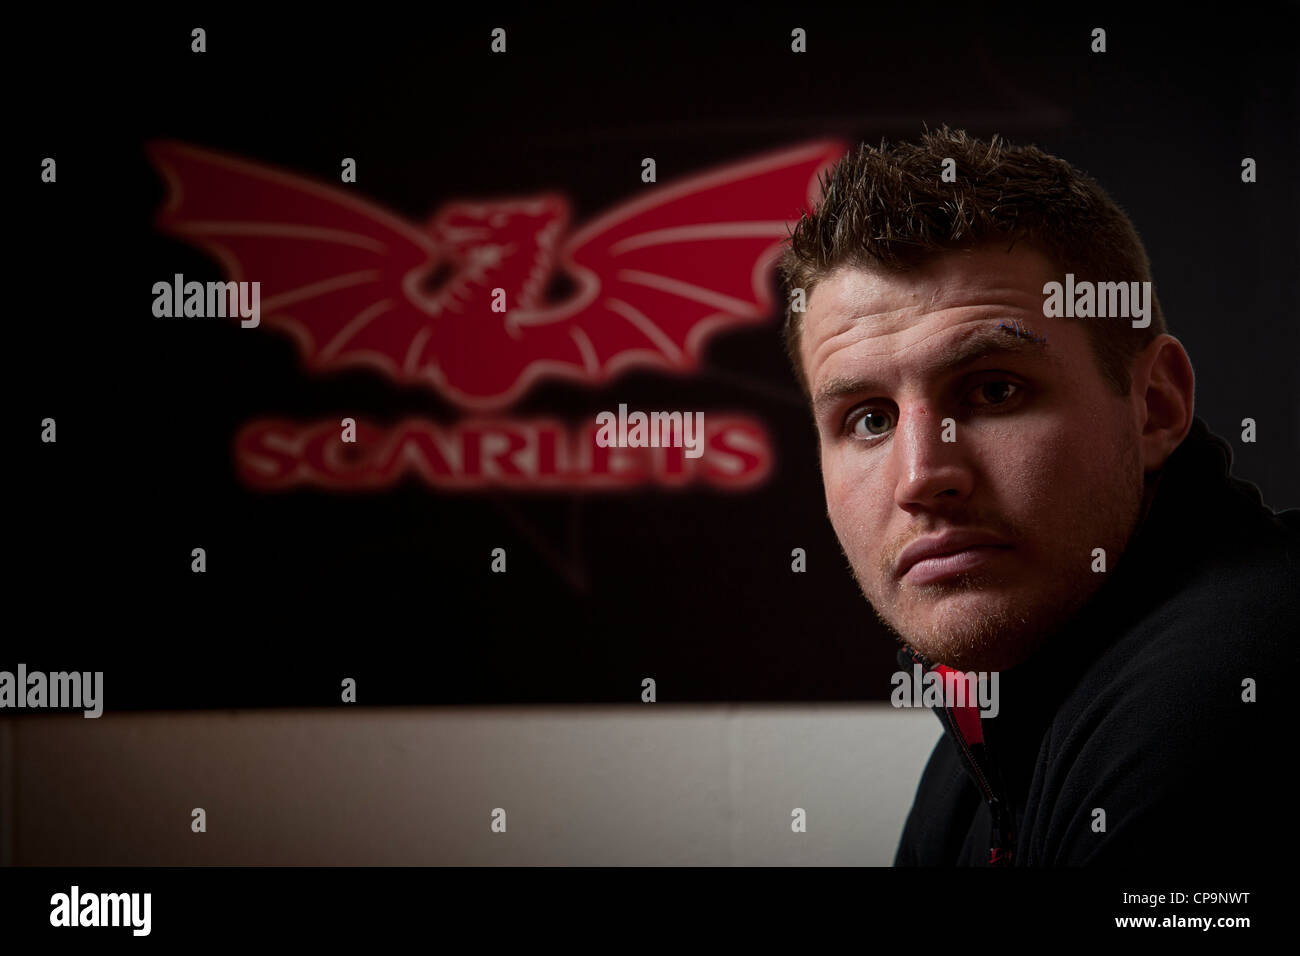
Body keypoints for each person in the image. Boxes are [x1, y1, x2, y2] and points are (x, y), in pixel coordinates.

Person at [777, 126, 1299, 866]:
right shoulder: (1004, 710)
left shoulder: (1217, 706)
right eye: (869, 419)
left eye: (994, 390)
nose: (922, 475)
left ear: (1154, 405)